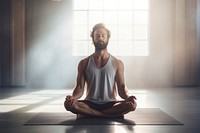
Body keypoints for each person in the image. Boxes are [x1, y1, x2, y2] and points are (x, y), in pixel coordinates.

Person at [64, 23, 137, 118]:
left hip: (111, 103)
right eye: (97, 36)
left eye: (103, 35)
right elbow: (79, 87)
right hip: (90, 103)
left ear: (108, 38)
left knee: (132, 105)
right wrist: (73, 98)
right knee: (69, 105)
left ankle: (93, 114)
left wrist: (128, 97)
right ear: (93, 38)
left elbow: (122, 87)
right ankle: (107, 115)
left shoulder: (117, 63)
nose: (100, 38)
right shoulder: (84, 62)